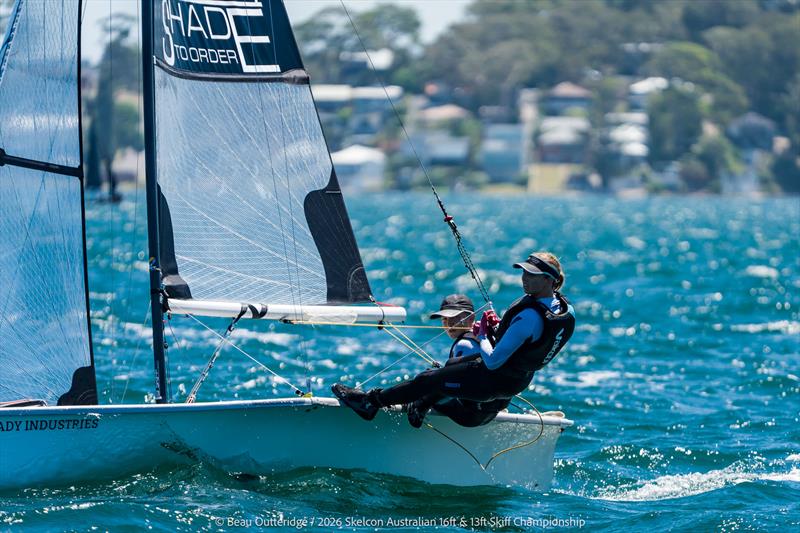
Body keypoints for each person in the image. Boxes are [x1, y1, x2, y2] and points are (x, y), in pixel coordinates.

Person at [332, 251, 575, 428]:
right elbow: (530, 342)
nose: (524, 278)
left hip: (493, 379)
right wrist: (499, 327)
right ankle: (416, 402)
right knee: (447, 369)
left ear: (548, 279)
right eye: (523, 272)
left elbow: (492, 361)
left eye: (532, 275)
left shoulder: (529, 317)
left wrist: (482, 336)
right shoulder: (563, 310)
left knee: (429, 379)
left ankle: (370, 402)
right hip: (516, 381)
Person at [424, 294, 511, 428]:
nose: (449, 324)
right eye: (444, 319)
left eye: (453, 318)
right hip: (490, 412)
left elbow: (460, 383)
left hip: (470, 415)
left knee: (428, 379)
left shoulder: (463, 344)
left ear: (471, 318)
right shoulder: (485, 339)